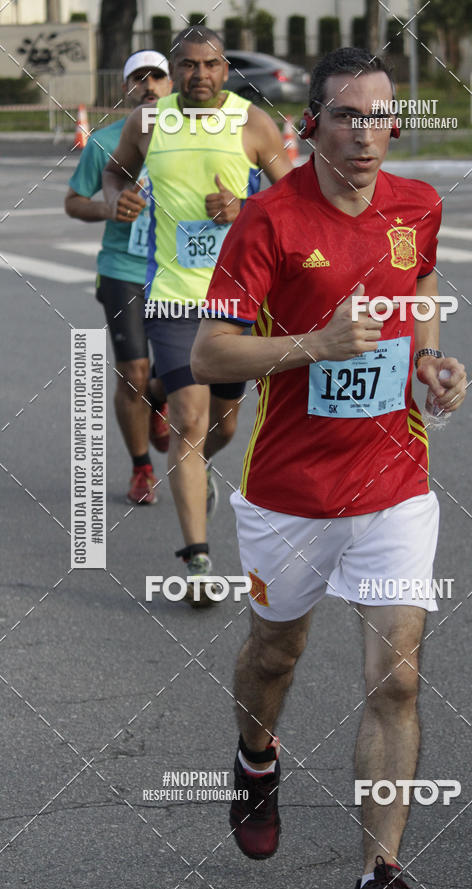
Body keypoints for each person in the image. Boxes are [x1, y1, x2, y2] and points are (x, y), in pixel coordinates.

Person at [191, 48, 467, 889]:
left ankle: (378, 873)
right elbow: (209, 352)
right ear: (312, 124)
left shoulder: (418, 205)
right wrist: (315, 345)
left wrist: (430, 362)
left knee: (399, 676)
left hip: (394, 480)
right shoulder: (270, 220)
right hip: (291, 491)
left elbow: (417, 283)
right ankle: (255, 756)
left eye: (381, 115)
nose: (367, 134)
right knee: (276, 656)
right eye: (346, 115)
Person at [103, 26, 292, 604]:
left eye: (210, 65)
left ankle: (196, 466)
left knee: (223, 423)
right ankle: (198, 562)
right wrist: (120, 197)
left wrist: (245, 209)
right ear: (174, 69)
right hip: (176, 296)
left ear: (225, 68)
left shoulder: (252, 123)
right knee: (188, 419)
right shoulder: (148, 122)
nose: (199, 76)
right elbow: (115, 173)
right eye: (187, 65)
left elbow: (297, 201)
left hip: (238, 300)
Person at [65, 50, 172, 505]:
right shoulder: (106, 141)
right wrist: (108, 207)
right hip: (122, 269)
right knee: (132, 372)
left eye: (157, 76)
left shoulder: (193, 137)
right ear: (125, 88)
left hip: (179, 270)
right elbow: (74, 201)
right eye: (137, 78)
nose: (148, 85)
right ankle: (141, 468)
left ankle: (159, 397)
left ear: (172, 84)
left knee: (178, 370)